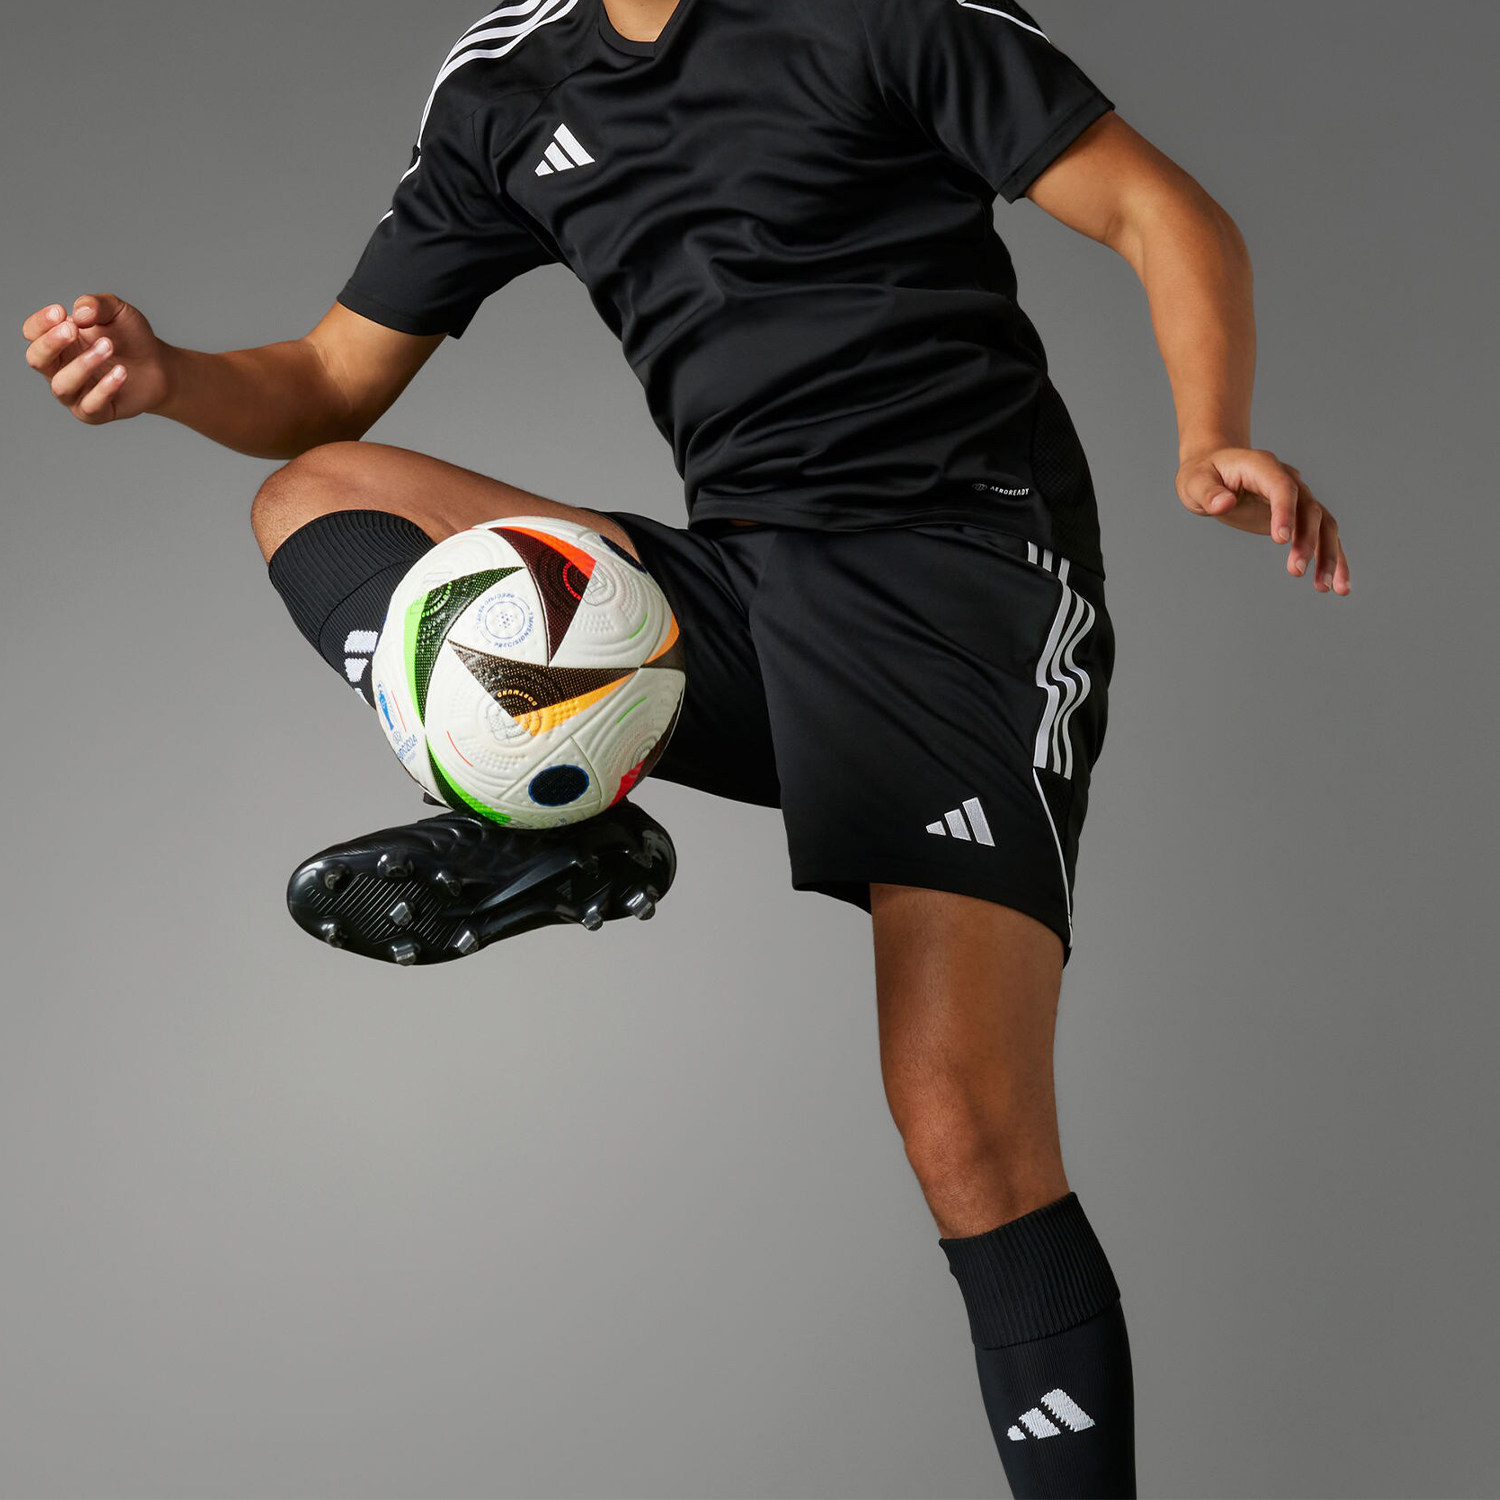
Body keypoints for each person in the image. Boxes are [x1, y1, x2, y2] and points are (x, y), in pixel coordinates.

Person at [22, 1, 1351, 1492]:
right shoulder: (508, 80)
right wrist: (171, 374)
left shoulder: (878, 13)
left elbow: (1161, 209)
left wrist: (1209, 431)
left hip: (960, 582)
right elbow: (327, 383)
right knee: (320, 493)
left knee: (964, 1128)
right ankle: (548, 812)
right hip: (736, 593)